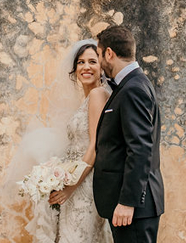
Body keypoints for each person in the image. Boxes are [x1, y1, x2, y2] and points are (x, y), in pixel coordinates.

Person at [93, 26, 164, 243]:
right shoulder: (132, 84)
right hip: (130, 208)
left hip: (133, 209)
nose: (99, 61)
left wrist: (127, 202)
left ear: (109, 53)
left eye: (98, 54)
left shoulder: (133, 88)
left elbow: (141, 148)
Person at [48, 39, 113, 243]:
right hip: (76, 180)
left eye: (92, 62)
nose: (86, 67)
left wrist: (71, 187)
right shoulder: (86, 100)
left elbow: (94, 146)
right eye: (80, 62)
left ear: (102, 67)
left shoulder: (98, 95)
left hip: (85, 185)